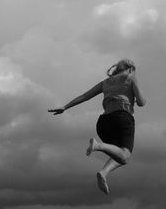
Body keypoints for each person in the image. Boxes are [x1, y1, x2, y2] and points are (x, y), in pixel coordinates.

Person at [49, 59, 146, 194]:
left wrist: (65, 107)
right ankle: (98, 146)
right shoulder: (131, 78)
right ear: (130, 69)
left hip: (103, 123)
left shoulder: (105, 83)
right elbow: (142, 102)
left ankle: (103, 172)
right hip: (121, 118)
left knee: (118, 153)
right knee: (125, 156)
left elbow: (85, 95)